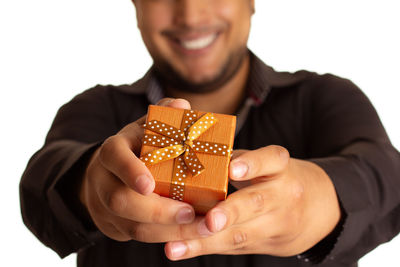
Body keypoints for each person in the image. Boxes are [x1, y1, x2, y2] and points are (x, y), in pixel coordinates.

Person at [20, 0, 400, 266]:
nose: (191, 13)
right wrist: (90, 186)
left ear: (252, 1)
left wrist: (318, 197)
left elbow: (387, 175)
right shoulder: (96, 108)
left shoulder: (326, 99)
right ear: (135, 6)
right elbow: (42, 179)